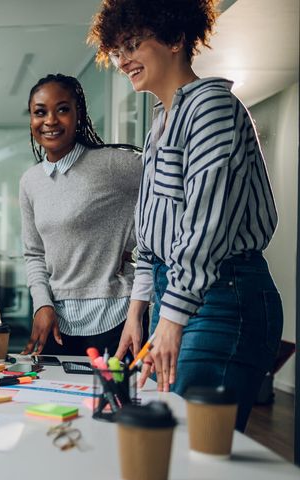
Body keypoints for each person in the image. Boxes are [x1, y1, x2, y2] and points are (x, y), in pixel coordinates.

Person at [90, 0, 282, 430]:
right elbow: (153, 228)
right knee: (166, 437)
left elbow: (206, 228)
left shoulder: (211, 109)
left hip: (222, 297)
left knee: (191, 443)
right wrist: (139, 308)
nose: (123, 61)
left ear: (176, 39)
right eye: (118, 50)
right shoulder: (163, 119)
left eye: (134, 44)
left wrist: (171, 316)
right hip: (176, 292)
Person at [19, 74, 143, 357]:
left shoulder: (110, 163)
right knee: (52, 400)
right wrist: (42, 304)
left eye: (62, 109)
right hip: (56, 322)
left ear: (79, 116)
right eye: (40, 112)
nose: (50, 120)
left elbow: (171, 182)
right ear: (31, 120)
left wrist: (137, 240)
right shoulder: (30, 181)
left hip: (116, 316)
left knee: (116, 402)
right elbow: (34, 254)